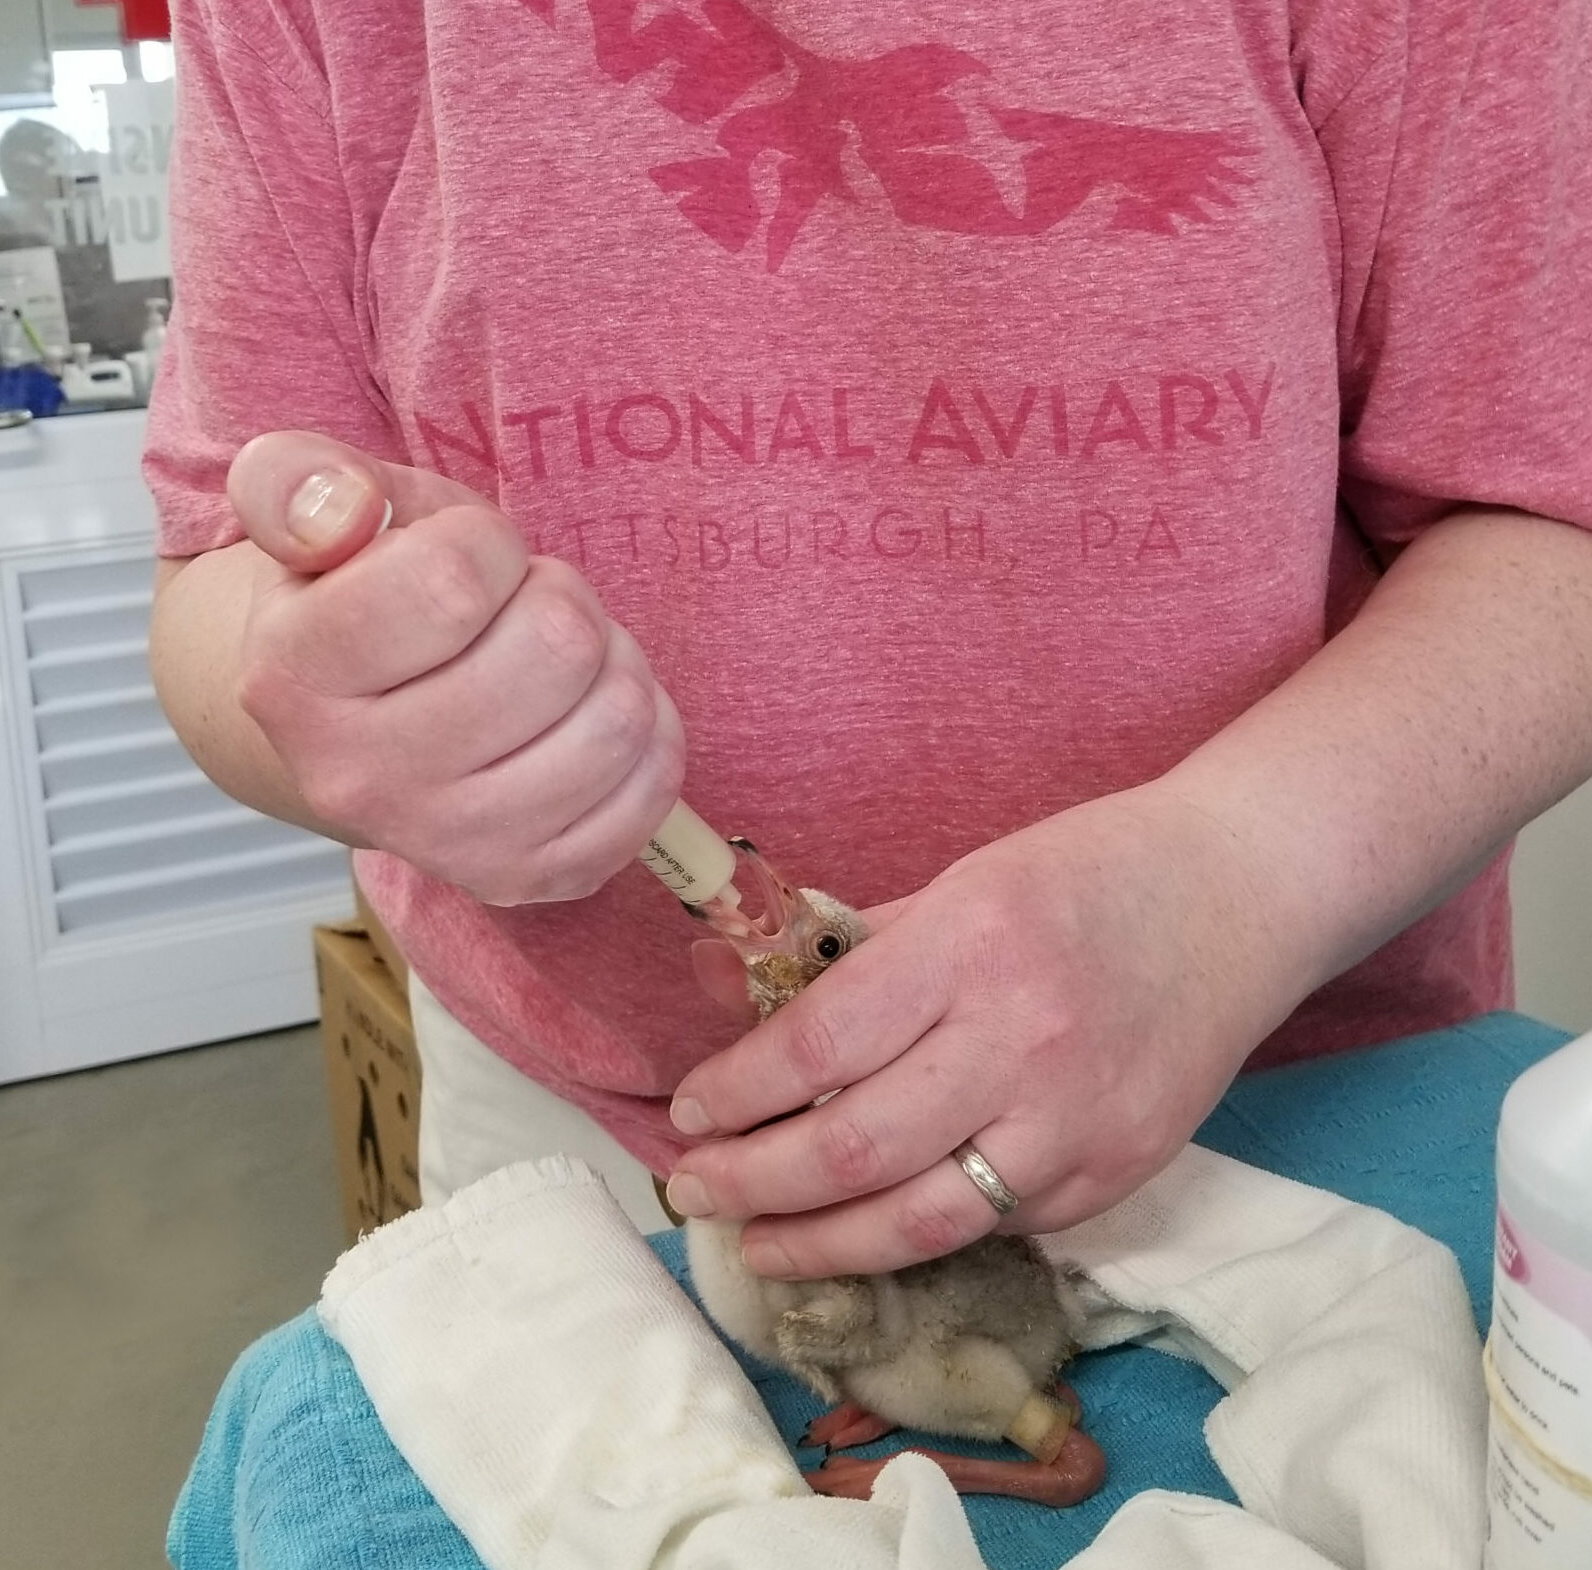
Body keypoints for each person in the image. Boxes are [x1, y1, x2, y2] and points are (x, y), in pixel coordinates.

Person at [147, 0, 1592, 1281]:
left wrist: (1229, 882)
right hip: (580, 1122)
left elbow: (1552, 521)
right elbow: (220, 566)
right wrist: (330, 684)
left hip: (1302, 1091)